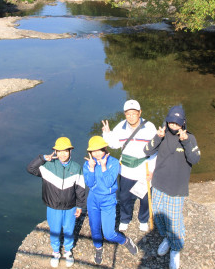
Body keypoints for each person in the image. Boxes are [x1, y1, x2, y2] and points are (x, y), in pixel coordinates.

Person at [143, 105, 201, 269]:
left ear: (183, 123)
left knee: (174, 221)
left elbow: (195, 159)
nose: (173, 126)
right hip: (159, 184)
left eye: (177, 123)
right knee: (159, 215)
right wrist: (156, 137)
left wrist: (186, 142)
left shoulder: (189, 138)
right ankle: (167, 238)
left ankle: (176, 249)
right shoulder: (162, 135)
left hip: (176, 189)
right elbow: (146, 150)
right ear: (167, 121)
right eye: (171, 122)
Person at [26, 137, 86, 268]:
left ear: (70, 151)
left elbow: (80, 188)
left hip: (70, 207)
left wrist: (80, 206)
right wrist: (42, 158)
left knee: (69, 230)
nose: (62, 154)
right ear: (55, 152)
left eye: (66, 151)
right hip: (53, 207)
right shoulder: (47, 166)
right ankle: (56, 252)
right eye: (59, 151)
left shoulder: (76, 168)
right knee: (55, 230)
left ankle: (68, 251)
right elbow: (30, 168)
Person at [102, 99, 157, 232]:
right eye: (128, 113)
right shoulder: (120, 127)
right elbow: (114, 144)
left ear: (140, 113)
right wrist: (107, 133)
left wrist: (152, 170)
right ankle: (125, 219)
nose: (131, 116)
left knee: (144, 197)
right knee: (124, 197)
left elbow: (156, 151)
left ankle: (143, 219)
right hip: (126, 169)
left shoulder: (149, 127)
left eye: (134, 113)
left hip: (143, 168)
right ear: (125, 114)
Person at [83, 136, 138, 265]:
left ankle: (125, 241)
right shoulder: (88, 163)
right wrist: (91, 169)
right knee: (94, 228)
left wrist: (103, 167)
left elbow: (108, 183)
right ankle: (98, 248)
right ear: (89, 152)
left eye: (99, 150)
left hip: (108, 200)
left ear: (105, 148)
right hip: (93, 199)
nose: (96, 154)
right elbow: (89, 183)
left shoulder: (113, 162)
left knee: (109, 233)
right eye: (93, 151)